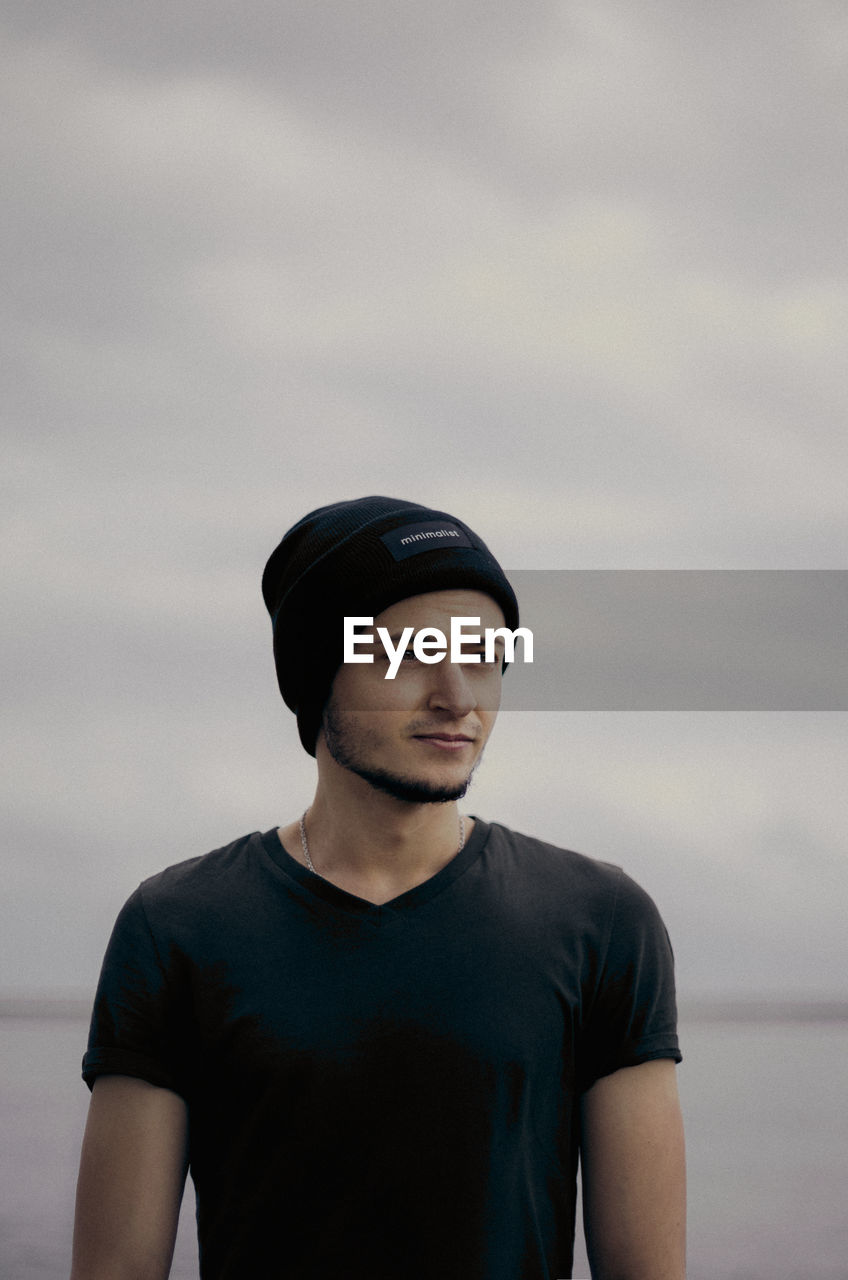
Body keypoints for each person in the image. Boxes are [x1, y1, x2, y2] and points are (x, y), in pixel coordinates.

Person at [71, 495, 686, 1280]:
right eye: (408, 653)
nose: (457, 695)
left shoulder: (602, 922)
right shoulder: (177, 929)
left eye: (483, 654)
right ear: (312, 672)